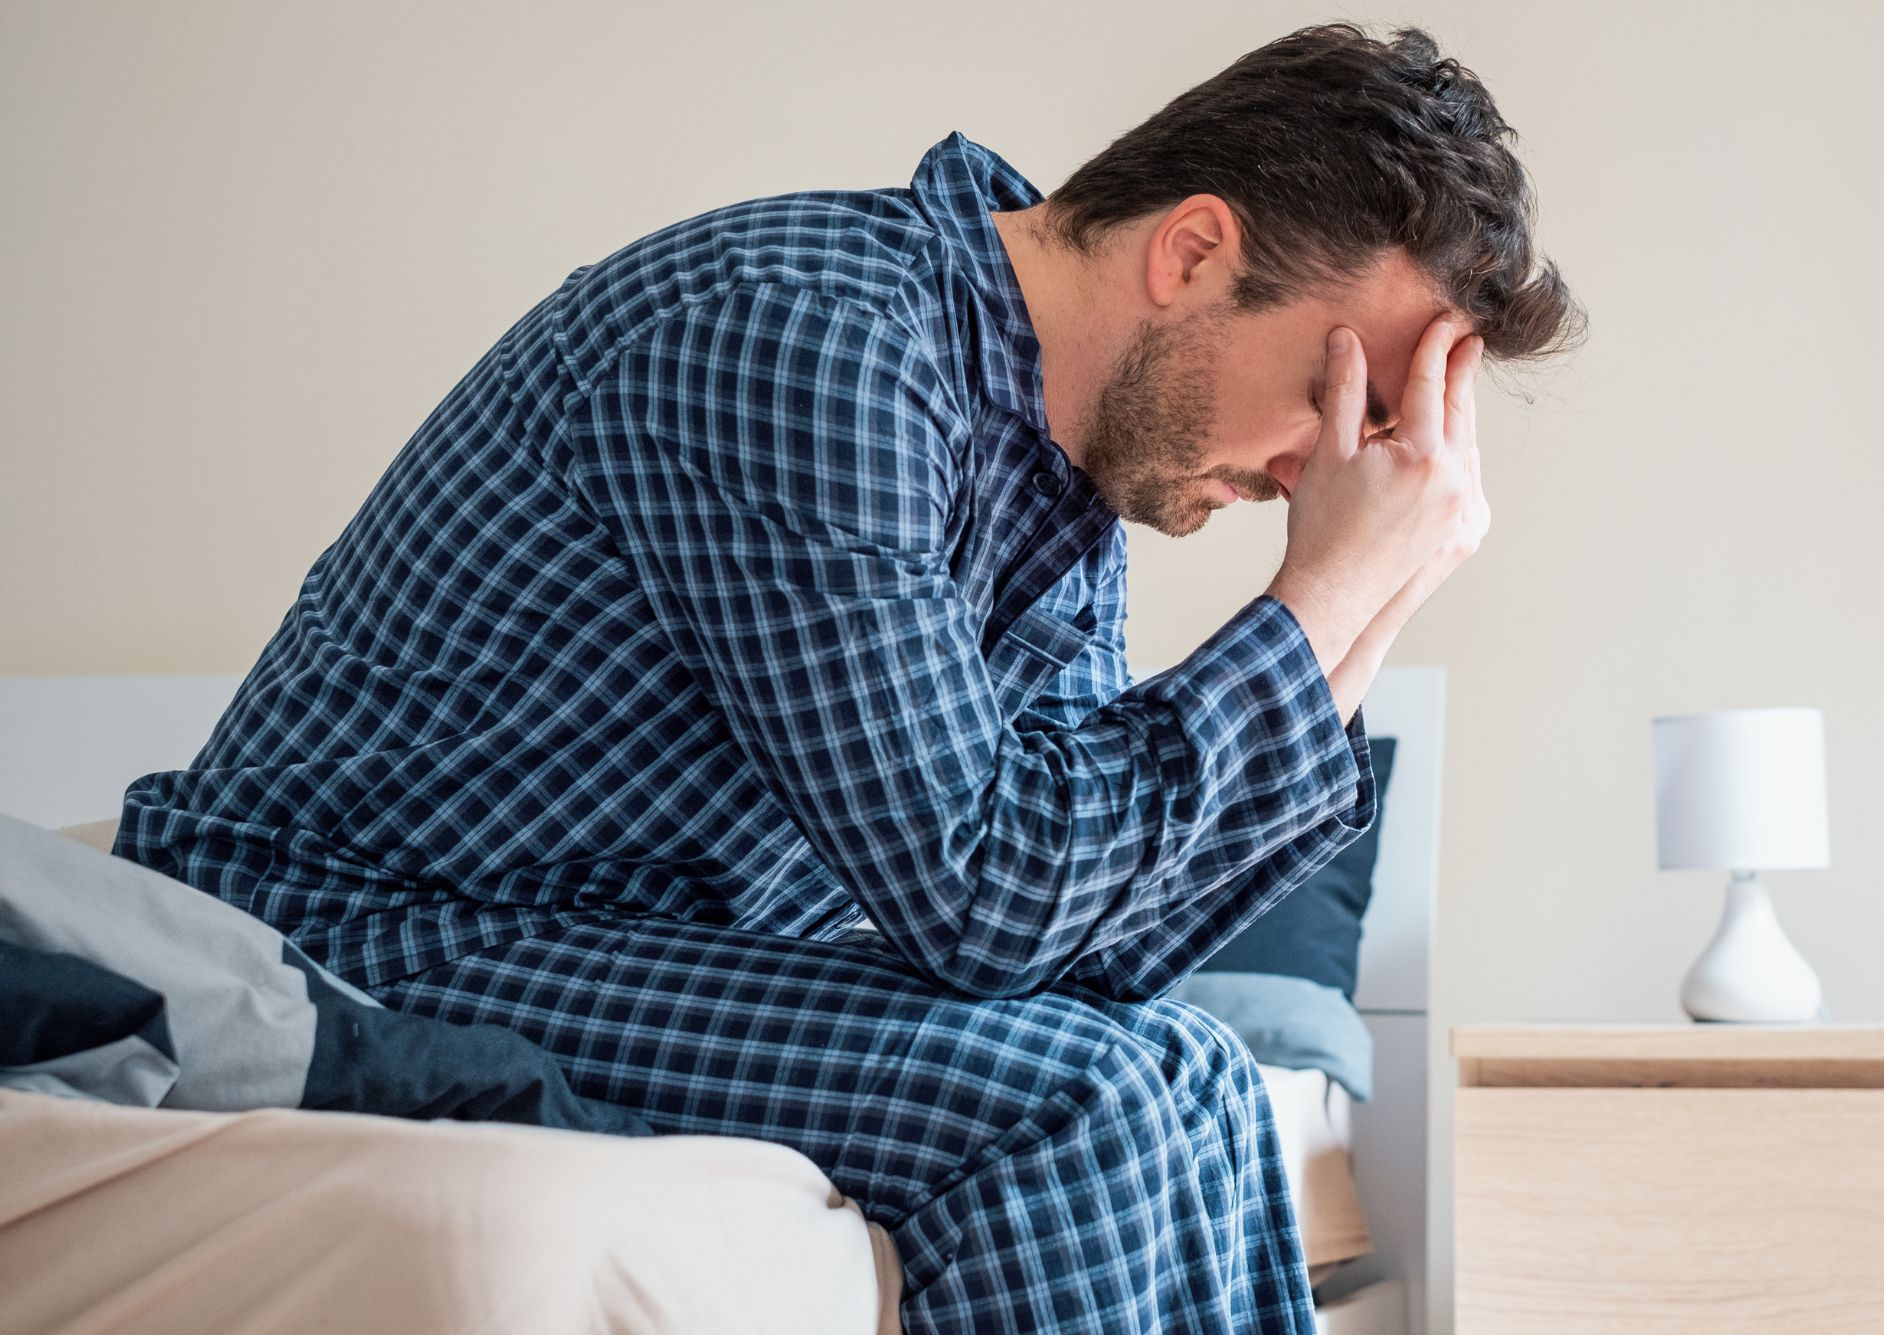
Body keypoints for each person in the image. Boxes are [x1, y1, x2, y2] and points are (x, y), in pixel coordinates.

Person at [116, 20, 1580, 1333]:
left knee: (1189, 1066)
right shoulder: (809, 337)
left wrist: (1375, 594)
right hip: (364, 928)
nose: (1320, 467)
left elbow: (1092, 946)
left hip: (603, 937)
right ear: (1192, 252)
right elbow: (981, 898)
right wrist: (1324, 588)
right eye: (1340, 400)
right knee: (1079, 1100)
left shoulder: (1066, 494)